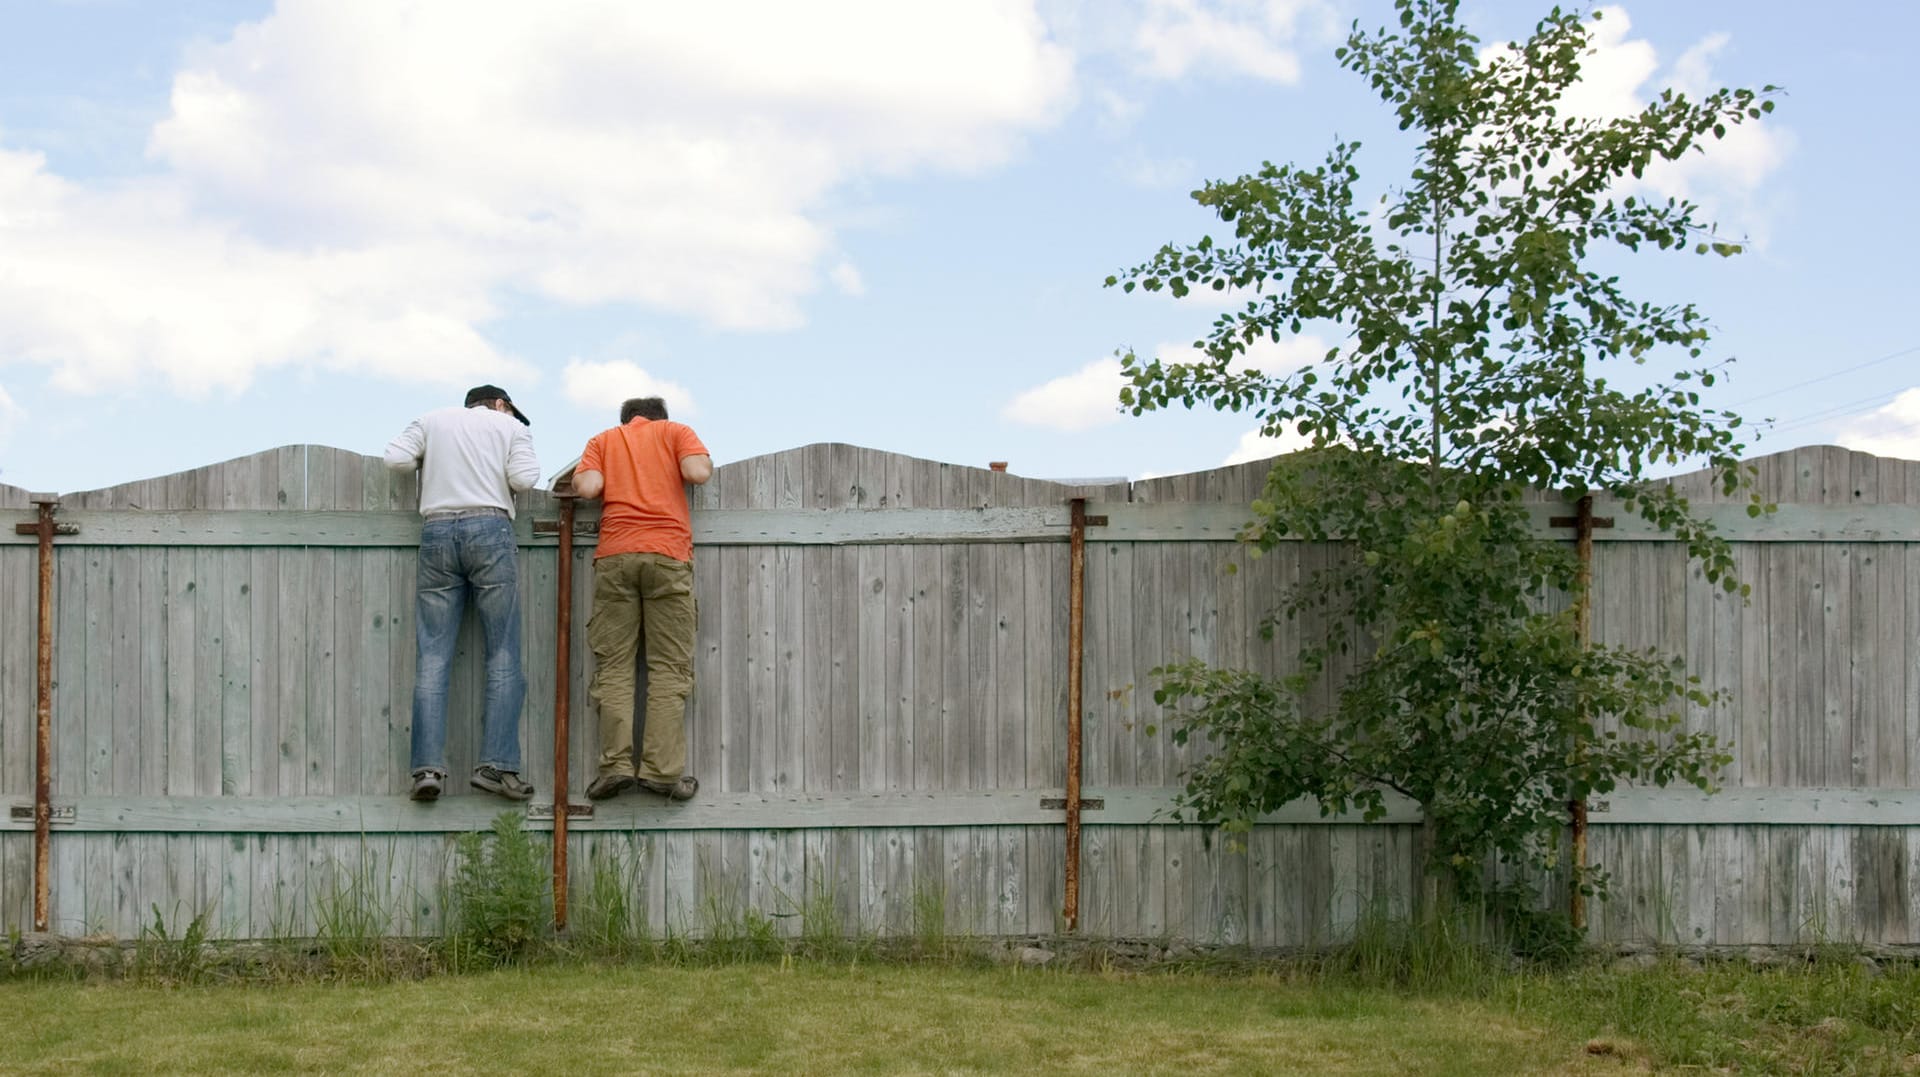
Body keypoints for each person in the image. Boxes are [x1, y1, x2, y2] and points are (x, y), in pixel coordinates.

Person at [384, 385, 542, 802]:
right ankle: (496, 766)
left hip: (437, 530)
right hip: (490, 528)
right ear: (502, 405)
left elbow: (396, 459)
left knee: (432, 657)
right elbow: (525, 479)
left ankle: (426, 770)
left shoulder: (431, 419)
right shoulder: (510, 427)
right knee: (503, 653)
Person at [571, 396, 712, 802]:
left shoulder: (603, 440)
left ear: (626, 419)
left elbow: (590, 487)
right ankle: (662, 773)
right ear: (659, 418)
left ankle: (615, 767)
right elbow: (697, 472)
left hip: (615, 557)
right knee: (668, 667)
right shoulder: (676, 432)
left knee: (614, 666)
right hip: (667, 556)